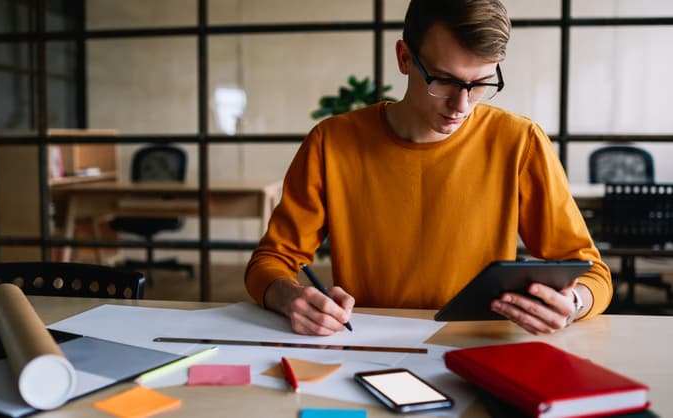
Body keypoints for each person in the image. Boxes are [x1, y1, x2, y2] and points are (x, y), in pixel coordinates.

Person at [244, 0, 612, 336]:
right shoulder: (331, 143)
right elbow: (271, 261)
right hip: (366, 346)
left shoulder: (520, 142)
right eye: (444, 81)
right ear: (404, 57)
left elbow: (593, 274)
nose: (461, 105)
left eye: (481, 83)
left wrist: (573, 303)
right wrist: (288, 297)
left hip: (476, 348)